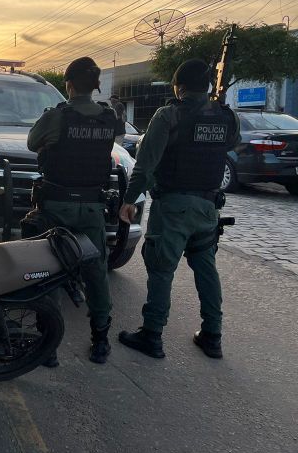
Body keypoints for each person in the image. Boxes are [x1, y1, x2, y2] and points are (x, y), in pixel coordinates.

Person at [118, 59, 239, 359]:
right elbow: (229, 144)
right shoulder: (227, 116)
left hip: (172, 207)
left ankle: (152, 335)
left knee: (161, 269)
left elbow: (145, 165)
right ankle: (213, 336)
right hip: (208, 208)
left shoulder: (168, 115)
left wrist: (129, 199)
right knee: (206, 268)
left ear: (179, 87)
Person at [26, 57, 124, 366]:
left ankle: (48, 345)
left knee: (50, 268)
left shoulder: (57, 116)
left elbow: (32, 143)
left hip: (57, 205)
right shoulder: (109, 117)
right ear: (95, 86)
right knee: (95, 271)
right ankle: (100, 340)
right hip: (93, 206)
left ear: (68, 85)